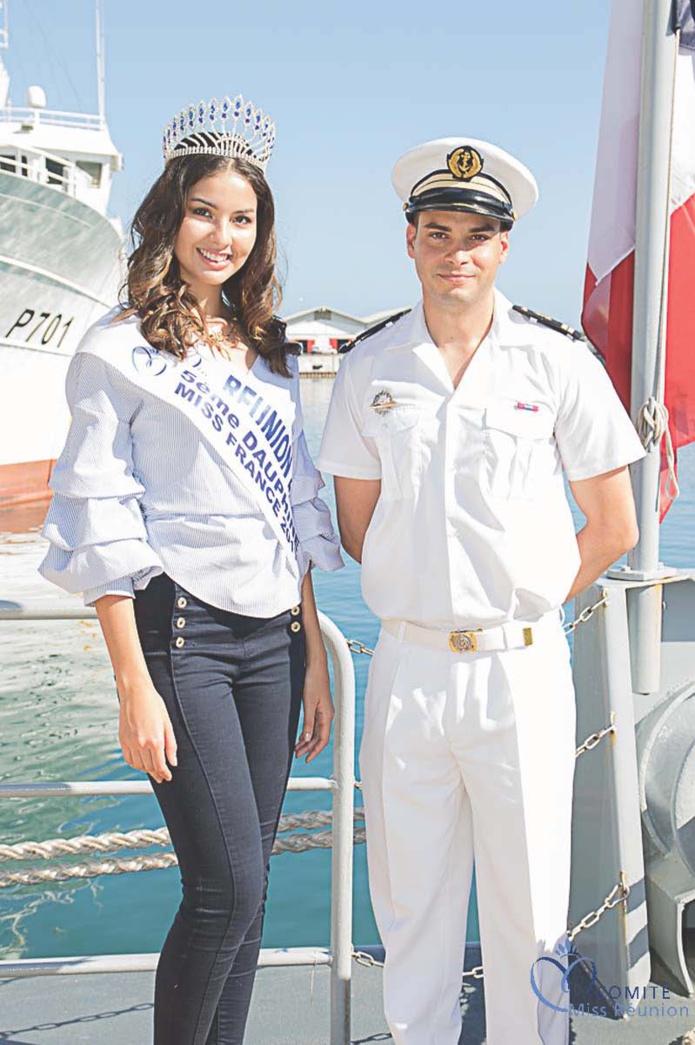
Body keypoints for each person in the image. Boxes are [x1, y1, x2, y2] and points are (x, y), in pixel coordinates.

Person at [317, 137, 645, 1045]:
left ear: (503, 247)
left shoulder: (556, 363)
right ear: (410, 241)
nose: (454, 249)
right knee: (411, 902)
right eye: (436, 230)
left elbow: (612, 525)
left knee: (528, 903)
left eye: (475, 233)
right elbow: (355, 525)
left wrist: (528, 596)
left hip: (520, 671)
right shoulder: (368, 367)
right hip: (410, 668)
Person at [39, 94, 343, 1045]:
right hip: (184, 641)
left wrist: (317, 657)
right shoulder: (115, 350)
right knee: (226, 887)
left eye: (242, 218)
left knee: (249, 898)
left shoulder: (265, 352)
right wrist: (132, 682)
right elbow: (101, 521)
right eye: (204, 212)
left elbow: (288, 510)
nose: (223, 235)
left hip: (273, 643)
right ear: (168, 216)